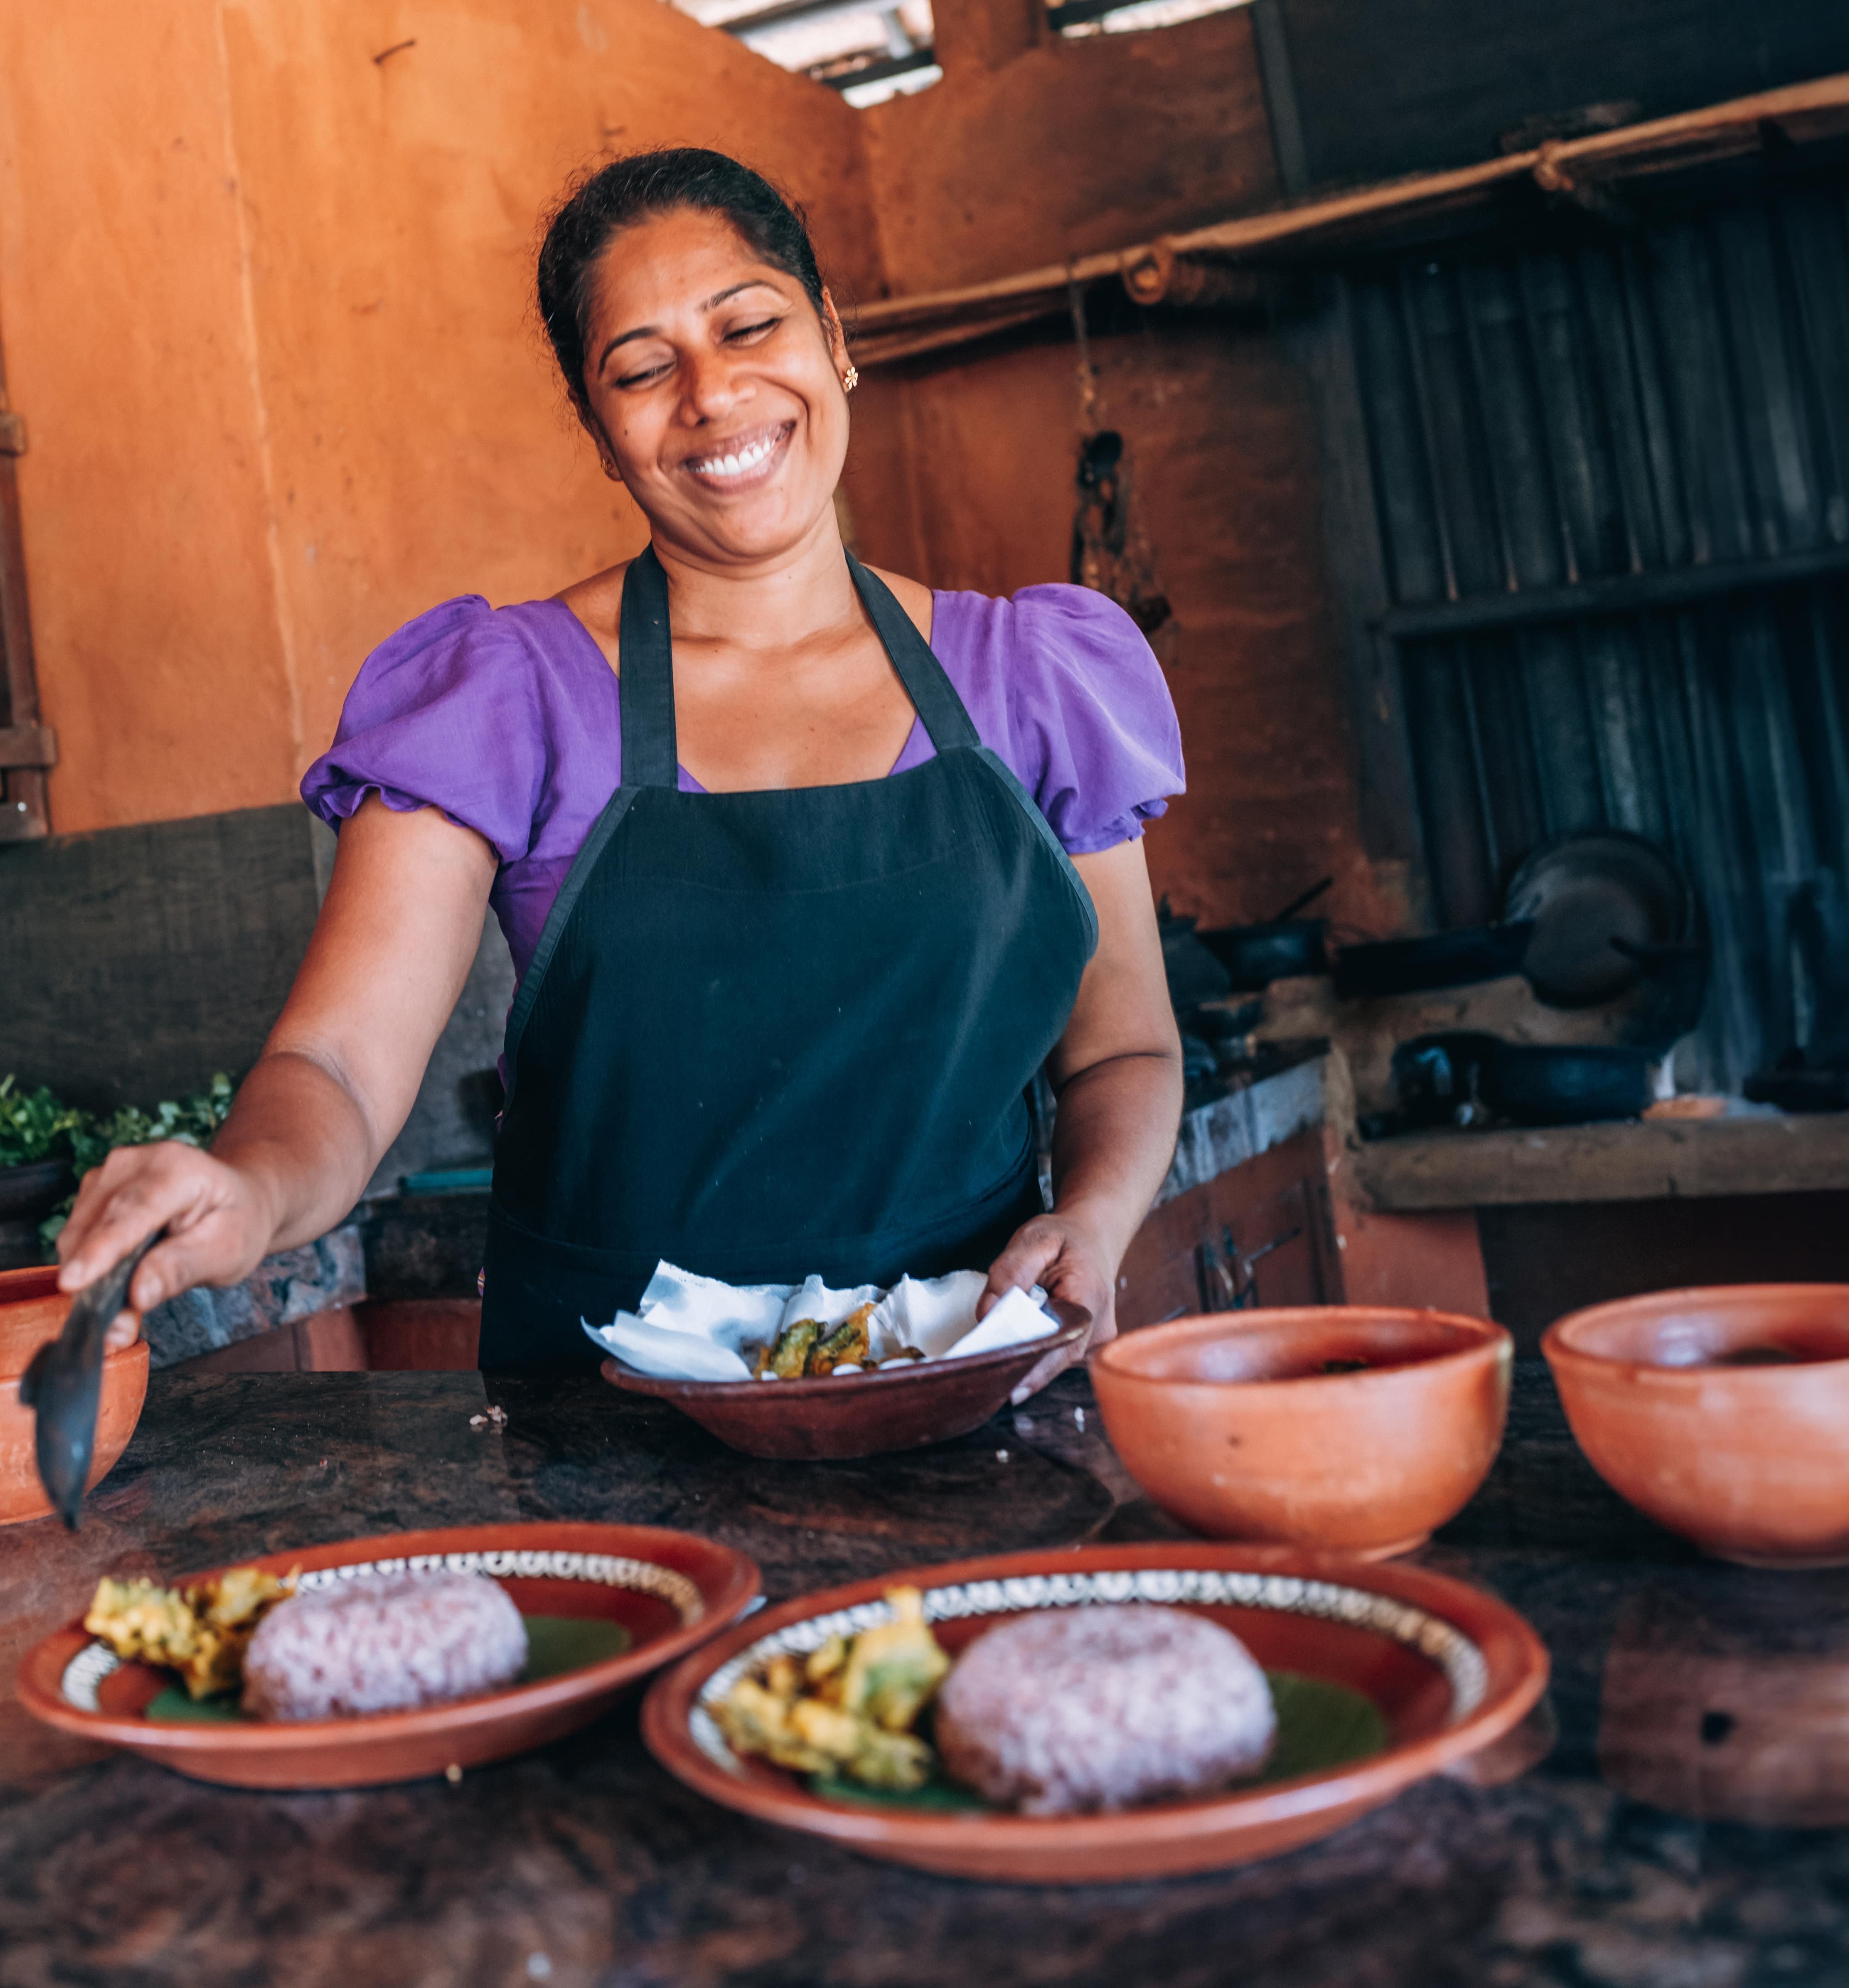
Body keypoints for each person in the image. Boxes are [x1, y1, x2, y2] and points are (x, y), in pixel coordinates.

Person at [59, 147, 1185, 1391]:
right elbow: (333, 1067)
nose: (710, 393)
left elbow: (1123, 1049)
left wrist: (1093, 1223)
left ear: (835, 338)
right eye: (642, 369)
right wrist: (248, 1185)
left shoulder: (1033, 677)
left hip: (969, 1384)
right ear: (603, 435)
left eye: (749, 325)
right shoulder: (510, 693)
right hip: (607, 1436)